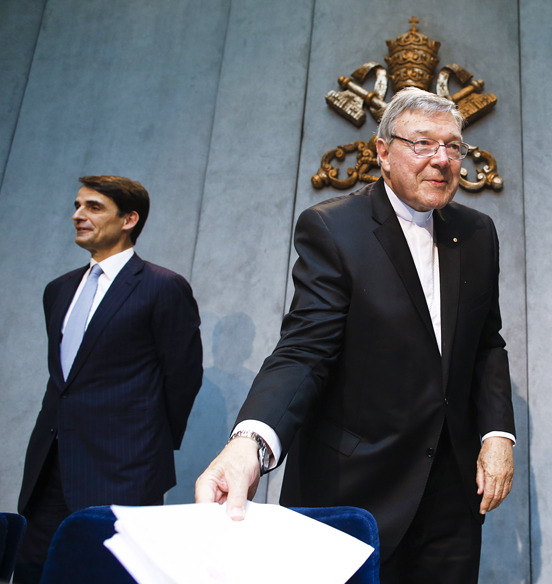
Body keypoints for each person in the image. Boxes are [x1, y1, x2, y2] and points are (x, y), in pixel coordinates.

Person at [196, 87, 515, 583]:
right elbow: (305, 350)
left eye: (454, 147)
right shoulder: (333, 228)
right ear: (383, 152)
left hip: (450, 494)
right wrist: (250, 443)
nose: (442, 160)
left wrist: (497, 434)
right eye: (423, 144)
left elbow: (487, 343)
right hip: (352, 488)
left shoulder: (476, 232)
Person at [16, 176, 203, 583]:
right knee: (32, 571)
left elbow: (183, 377)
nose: (78, 215)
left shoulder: (163, 287)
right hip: (48, 469)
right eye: (78, 206)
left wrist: (144, 446)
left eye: (93, 207)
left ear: (129, 219)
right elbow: (64, 383)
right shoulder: (58, 290)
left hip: (124, 472)